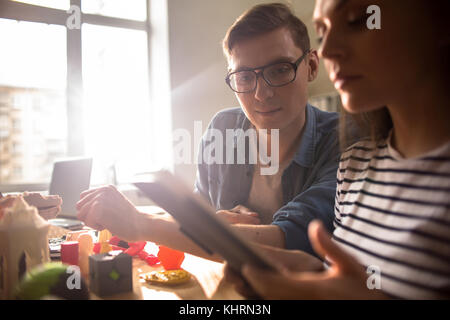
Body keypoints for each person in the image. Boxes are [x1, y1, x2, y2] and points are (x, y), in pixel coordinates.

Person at [76, 3, 341, 258]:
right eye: (245, 77)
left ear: (312, 66)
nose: (262, 93)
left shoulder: (343, 139)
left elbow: (292, 239)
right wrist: (211, 222)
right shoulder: (222, 128)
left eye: (280, 70)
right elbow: (197, 215)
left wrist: (141, 222)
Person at [226, 0, 450, 299]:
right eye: (322, 32)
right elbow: (350, 277)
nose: (329, 49)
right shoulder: (357, 162)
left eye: (358, 20)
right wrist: (306, 271)